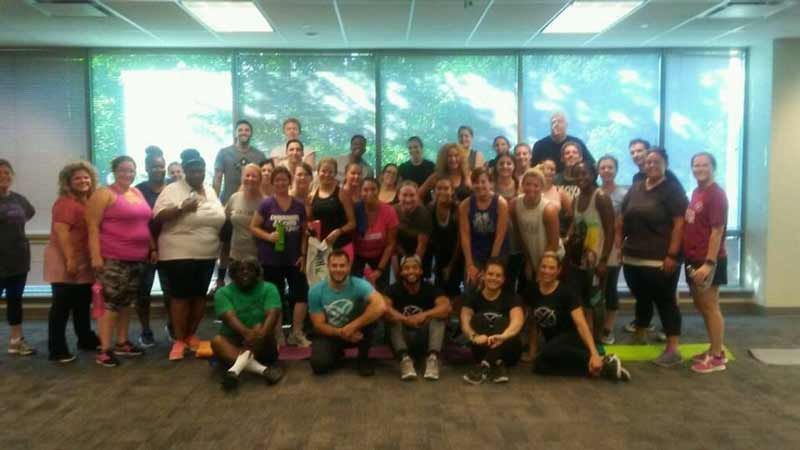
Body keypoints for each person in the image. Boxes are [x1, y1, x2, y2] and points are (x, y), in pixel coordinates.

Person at [154, 149, 226, 361]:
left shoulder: (210, 191)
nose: (198, 174)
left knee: (199, 296)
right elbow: (158, 217)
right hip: (178, 253)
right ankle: (178, 339)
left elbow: (219, 216)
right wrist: (181, 208)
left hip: (207, 252)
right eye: (193, 170)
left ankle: (191, 335)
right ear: (185, 171)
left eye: (201, 170)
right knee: (180, 297)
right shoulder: (172, 190)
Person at [621, 148, 688, 367]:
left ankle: (672, 348)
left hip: (661, 259)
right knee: (642, 298)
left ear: (665, 164)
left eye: (656, 162)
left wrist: (672, 254)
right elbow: (623, 216)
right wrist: (617, 246)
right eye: (648, 162)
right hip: (633, 256)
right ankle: (640, 335)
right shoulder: (637, 187)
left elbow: (680, 223)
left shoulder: (673, 190)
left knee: (665, 301)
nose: (651, 165)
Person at [86, 155, 154, 367]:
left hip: (137, 258)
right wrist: (96, 257)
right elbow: (92, 227)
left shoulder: (136, 192)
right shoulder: (104, 194)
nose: (128, 174)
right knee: (110, 304)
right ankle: (105, 350)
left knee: (126, 302)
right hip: (113, 258)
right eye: (123, 170)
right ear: (114, 171)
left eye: (131, 170)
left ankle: (122, 342)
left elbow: (145, 223)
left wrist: (152, 247)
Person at [528, 253, 630, 381]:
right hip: (555, 342)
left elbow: (581, 323)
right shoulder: (532, 290)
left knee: (547, 352)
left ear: (558, 270)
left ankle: (601, 359)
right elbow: (533, 322)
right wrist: (532, 351)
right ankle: (602, 369)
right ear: (538, 268)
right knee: (539, 366)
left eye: (551, 268)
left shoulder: (567, 292)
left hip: (573, 337)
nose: (547, 271)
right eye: (544, 267)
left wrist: (593, 353)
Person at [45, 161, 102, 362]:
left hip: (83, 261)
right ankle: (57, 349)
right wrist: (70, 260)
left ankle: (85, 339)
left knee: (81, 303)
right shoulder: (65, 203)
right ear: (68, 182)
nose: (83, 180)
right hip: (64, 259)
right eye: (77, 178)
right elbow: (62, 234)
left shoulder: (88, 201)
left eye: (86, 177)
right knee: (61, 306)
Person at [250, 166, 310, 348]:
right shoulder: (266, 204)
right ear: (272, 182)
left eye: (284, 179)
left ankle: (296, 332)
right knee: (274, 296)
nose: (281, 183)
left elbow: (304, 233)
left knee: (300, 294)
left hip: (294, 259)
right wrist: (268, 236)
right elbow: (253, 227)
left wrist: (303, 254)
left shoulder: (299, 205)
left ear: (289, 181)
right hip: (270, 260)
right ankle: (277, 334)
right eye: (277, 180)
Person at [684, 152, 729, 374]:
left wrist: (709, 263)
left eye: (704, 165)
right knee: (702, 305)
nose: (699, 168)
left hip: (708, 260)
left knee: (711, 306)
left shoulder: (716, 195)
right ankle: (713, 348)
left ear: (713, 167)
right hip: (693, 258)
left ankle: (718, 356)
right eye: (695, 165)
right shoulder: (697, 192)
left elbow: (717, 230)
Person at [308, 250, 387, 376]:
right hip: (332, 333)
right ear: (328, 267)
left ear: (349, 267)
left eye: (342, 265)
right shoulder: (315, 291)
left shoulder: (360, 284)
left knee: (369, 308)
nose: (338, 269)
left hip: (358, 332)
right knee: (318, 365)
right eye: (334, 265)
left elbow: (381, 306)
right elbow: (318, 324)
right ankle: (337, 353)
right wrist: (341, 333)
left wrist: (353, 326)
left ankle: (363, 358)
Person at [510, 167, 560, 361]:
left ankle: (543, 347)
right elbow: (520, 235)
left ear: (542, 187)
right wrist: (530, 262)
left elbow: (554, 243)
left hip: (551, 260)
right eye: (528, 184)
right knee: (529, 303)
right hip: (532, 259)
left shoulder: (548, 209)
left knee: (543, 304)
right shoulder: (515, 204)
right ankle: (531, 349)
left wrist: (543, 269)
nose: (531, 188)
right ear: (522, 185)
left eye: (536, 185)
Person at [212, 258, 284, 390]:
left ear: (257, 273)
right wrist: (248, 334)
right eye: (240, 270)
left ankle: (235, 369)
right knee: (217, 341)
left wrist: (259, 334)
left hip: (263, 341)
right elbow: (229, 317)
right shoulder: (222, 293)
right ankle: (262, 370)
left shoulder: (269, 288)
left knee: (259, 328)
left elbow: (273, 314)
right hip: (234, 341)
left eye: (249, 270)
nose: (245, 273)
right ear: (233, 275)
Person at [565, 161, 614, 334]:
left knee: (596, 301)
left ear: (593, 175)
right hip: (578, 261)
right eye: (577, 174)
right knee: (582, 301)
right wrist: (567, 238)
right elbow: (575, 224)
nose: (580, 177)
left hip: (597, 261)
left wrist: (603, 261)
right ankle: (586, 336)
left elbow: (610, 230)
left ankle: (598, 341)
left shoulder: (600, 197)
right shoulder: (576, 199)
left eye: (584, 173)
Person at [384, 255, 451, 381]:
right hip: (402, 338)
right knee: (392, 318)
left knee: (438, 317)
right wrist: (405, 319)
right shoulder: (392, 289)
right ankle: (405, 360)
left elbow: (446, 307)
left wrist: (424, 315)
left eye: (415, 267)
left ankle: (432, 359)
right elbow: (384, 308)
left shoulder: (431, 288)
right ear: (401, 272)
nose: (411, 271)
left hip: (424, 337)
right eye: (407, 268)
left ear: (421, 271)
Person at [461, 259, 524, 384]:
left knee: (502, 322)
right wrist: (474, 336)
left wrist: (503, 336)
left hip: (508, 349)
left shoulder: (512, 297)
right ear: (483, 275)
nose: (494, 278)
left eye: (498, 275)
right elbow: (465, 321)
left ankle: (484, 366)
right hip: (481, 347)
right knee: (478, 319)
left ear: (503, 279)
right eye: (490, 274)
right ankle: (497, 364)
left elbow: (518, 320)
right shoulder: (472, 296)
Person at [0, 159, 37, 356]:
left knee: (15, 300)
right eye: (0, 173)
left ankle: (16, 341)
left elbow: (29, 213)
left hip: (18, 259)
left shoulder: (19, 199)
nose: (4, 176)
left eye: (7, 172)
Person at [133, 146, 166, 348]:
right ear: (147, 167)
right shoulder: (139, 190)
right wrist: (151, 248)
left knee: (171, 292)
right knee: (142, 293)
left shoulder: (172, 187)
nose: (158, 170)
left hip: (171, 247)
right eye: (154, 166)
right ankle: (146, 330)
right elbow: (139, 222)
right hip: (144, 249)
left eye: (161, 166)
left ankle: (173, 327)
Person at [459, 167, 508, 290]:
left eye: (483, 181)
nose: (479, 185)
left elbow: (500, 236)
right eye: (476, 182)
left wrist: (490, 265)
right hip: (475, 252)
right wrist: (469, 264)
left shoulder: (501, 203)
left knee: (492, 283)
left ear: (490, 183)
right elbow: (465, 236)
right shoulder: (465, 205)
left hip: (497, 251)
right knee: (471, 284)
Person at [597, 155, 627, 344]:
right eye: (603, 167)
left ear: (616, 170)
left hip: (614, 246)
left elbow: (623, 220)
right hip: (595, 245)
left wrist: (620, 241)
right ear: (598, 170)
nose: (606, 170)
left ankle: (608, 328)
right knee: (595, 287)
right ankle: (596, 325)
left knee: (610, 287)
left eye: (610, 167)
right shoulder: (594, 192)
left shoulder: (623, 194)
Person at [353, 177, 398, 292]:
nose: (369, 193)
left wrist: (380, 270)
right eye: (365, 190)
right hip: (358, 257)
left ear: (379, 191)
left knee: (383, 292)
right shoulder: (355, 210)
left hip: (380, 257)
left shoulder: (389, 211)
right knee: (355, 291)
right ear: (360, 192)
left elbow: (390, 244)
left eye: (373, 189)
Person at [307, 158, 356, 255]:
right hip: (320, 247)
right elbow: (309, 220)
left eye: (330, 172)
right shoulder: (311, 196)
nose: (327, 175)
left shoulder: (342, 194)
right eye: (323, 171)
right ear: (318, 172)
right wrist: (309, 227)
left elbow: (352, 223)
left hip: (341, 246)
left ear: (335, 173)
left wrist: (339, 231)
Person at [213, 119, 267, 205]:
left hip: (253, 203)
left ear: (251, 133)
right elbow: (217, 178)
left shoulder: (260, 155)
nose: (243, 132)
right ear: (235, 133)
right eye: (240, 130)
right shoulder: (224, 153)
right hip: (227, 201)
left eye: (247, 130)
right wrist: (214, 201)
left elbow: (265, 180)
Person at [429, 177, 462, 301]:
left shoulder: (458, 209)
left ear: (452, 191)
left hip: (457, 255)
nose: (442, 191)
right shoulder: (431, 208)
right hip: (438, 255)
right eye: (439, 188)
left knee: (454, 288)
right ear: (434, 191)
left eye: (446, 188)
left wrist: (450, 265)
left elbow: (460, 240)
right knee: (439, 289)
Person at [493, 154, 522, 291]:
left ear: (514, 166)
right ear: (496, 166)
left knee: (512, 276)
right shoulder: (490, 186)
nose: (505, 166)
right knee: (497, 274)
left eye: (509, 163)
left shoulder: (520, 186)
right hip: (496, 237)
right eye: (501, 163)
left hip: (517, 236)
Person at [226, 164, 264, 263]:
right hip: (235, 254)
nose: (250, 179)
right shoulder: (234, 198)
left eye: (254, 176)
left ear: (260, 180)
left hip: (258, 256)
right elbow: (225, 218)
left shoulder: (266, 202)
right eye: (247, 175)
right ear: (242, 178)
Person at [395, 181, 432, 263]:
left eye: (412, 195)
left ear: (417, 196)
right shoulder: (393, 211)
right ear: (398, 196)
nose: (408, 200)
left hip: (420, 251)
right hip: (399, 250)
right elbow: (393, 240)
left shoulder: (424, 213)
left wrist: (415, 261)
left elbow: (422, 244)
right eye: (404, 195)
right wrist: (404, 257)